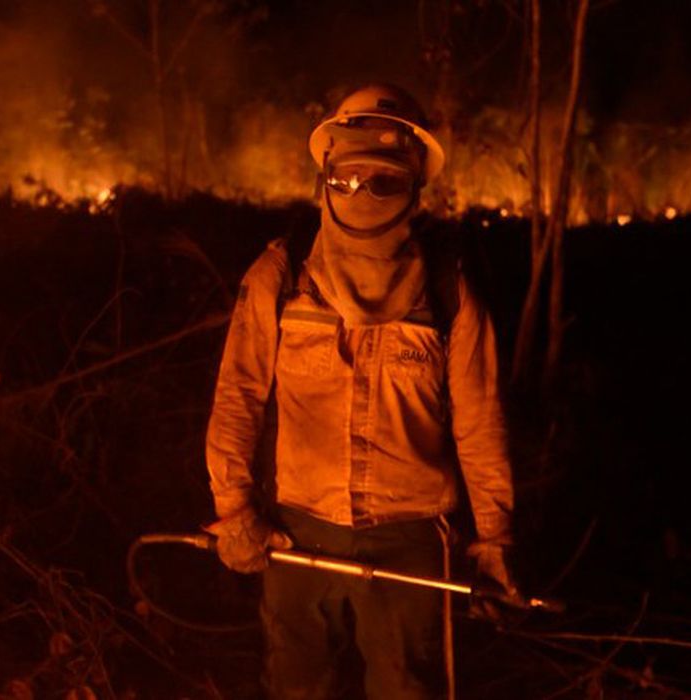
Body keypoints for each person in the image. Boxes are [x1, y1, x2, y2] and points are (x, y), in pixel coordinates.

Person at [204, 83, 519, 699]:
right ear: (324, 179)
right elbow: (238, 396)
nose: (362, 195)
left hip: (410, 540)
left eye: (383, 182)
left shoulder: (448, 291)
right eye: (347, 180)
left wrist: (495, 536)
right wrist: (234, 510)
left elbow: (480, 422)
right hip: (295, 528)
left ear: (414, 188)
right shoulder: (281, 273)